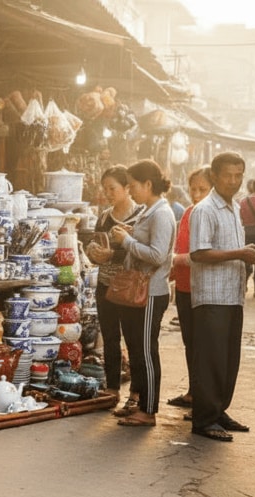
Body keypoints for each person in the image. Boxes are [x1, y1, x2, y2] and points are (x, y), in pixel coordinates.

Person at [188, 152, 255, 442]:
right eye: (229, 175)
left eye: (239, 175)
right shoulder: (205, 209)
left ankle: (218, 410)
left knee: (227, 359)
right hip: (212, 296)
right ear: (214, 176)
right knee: (210, 360)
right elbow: (198, 253)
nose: (234, 181)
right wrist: (240, 253)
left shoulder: (233, 207)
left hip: (232, 293)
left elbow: (228, 246)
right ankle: (204, 419)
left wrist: (249, 250)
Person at [107, 159, 177, 428]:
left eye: (134, 185)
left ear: (148, 184)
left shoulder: (161, 213)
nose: (131, 190)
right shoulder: (151, 210)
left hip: (151, 291)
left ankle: (148, 410)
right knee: (136, 348)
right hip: (141, 290)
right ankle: (139, 403)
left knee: (146, 351)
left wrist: (128, 241)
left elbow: (158, 255)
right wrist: (133, 233)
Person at [86, 166, 145, 405]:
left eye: (113, 188)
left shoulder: (142, 215)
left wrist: (113, 255)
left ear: (127, 188)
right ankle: (112, 388)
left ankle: (136, 393)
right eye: (105, 189)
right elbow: (95, 244)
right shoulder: (104, 216)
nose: (108, 193)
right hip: (106, 284)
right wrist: (94, 253)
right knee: (110, 337)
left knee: (134, 339)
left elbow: (143, 252)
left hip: (130, 286)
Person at [166, 166, 212, 410]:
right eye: (193, 189)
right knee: (190, 343)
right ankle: (193, 392)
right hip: (184, 286)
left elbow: (204, 255)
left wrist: (175, 260)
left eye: (202, 190)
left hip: (204, 289)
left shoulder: (213, 214)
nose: (196, 194)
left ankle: (203, 398)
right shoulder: (188, 213)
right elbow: (181, 245)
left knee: (202, 346)